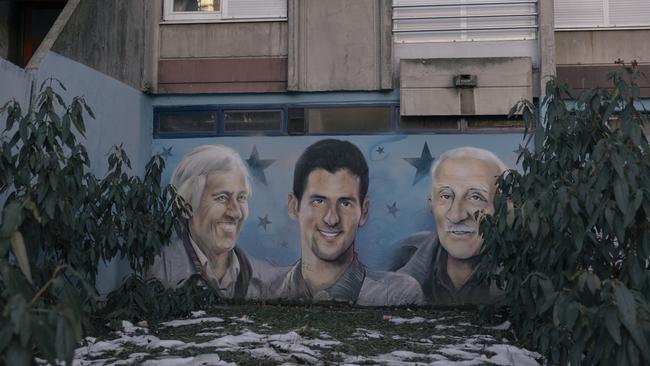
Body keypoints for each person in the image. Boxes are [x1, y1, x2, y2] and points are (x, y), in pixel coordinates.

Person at [273, 139, 424, 306]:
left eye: (345, 203)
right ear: (294, 207)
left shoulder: (397, 294)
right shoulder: (266, 289)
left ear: (364, 212)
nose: (331, 218)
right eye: (318, 201)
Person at [147, 144, 281, 299]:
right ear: (184, 206)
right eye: (221, 197)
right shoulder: (160, 270)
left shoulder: (265, 276)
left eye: (241, 198)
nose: (236, 212)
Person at [393, 147, 507, 305]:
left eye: (475, 197)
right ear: (431, 206)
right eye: (446, 196)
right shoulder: (401, 257)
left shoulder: (526, 273)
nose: (456, 215)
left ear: (501, 208)